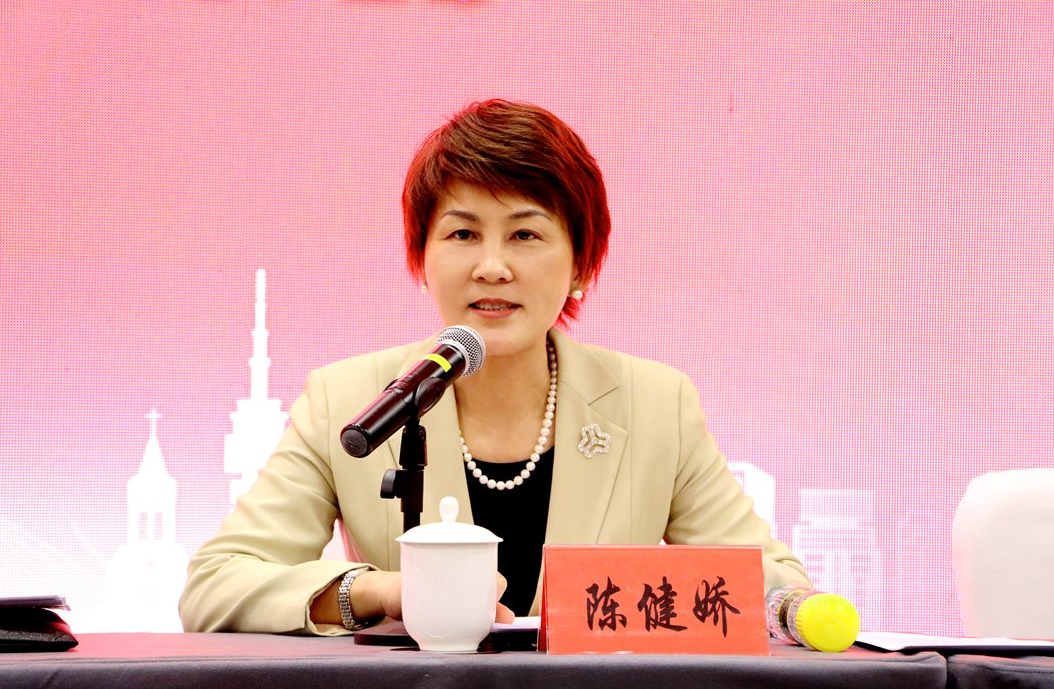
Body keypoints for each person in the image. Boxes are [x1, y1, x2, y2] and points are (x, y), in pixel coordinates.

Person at [179, 99, 810, 635]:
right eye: (462, 234)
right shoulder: (348, 399)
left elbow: (775, 585)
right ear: (422, 259)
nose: (492, 267)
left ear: (581, 264)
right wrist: (381, 592)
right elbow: (216, 585)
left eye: (525, 234)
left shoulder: (654, 403)